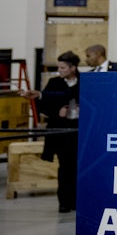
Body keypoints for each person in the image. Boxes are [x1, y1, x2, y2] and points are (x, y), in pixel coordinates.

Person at [18, 51, 81, 213]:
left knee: (78, 167)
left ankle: (77, 201)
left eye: (63, 67)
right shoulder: (54, 83)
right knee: (65, 167)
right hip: (61, 134)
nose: (59, 70)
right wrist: (57, 111)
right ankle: (64, 202)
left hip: (79, 133)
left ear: (73, 68)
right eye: (58, 67)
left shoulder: (84, 82)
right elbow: (43, 106)